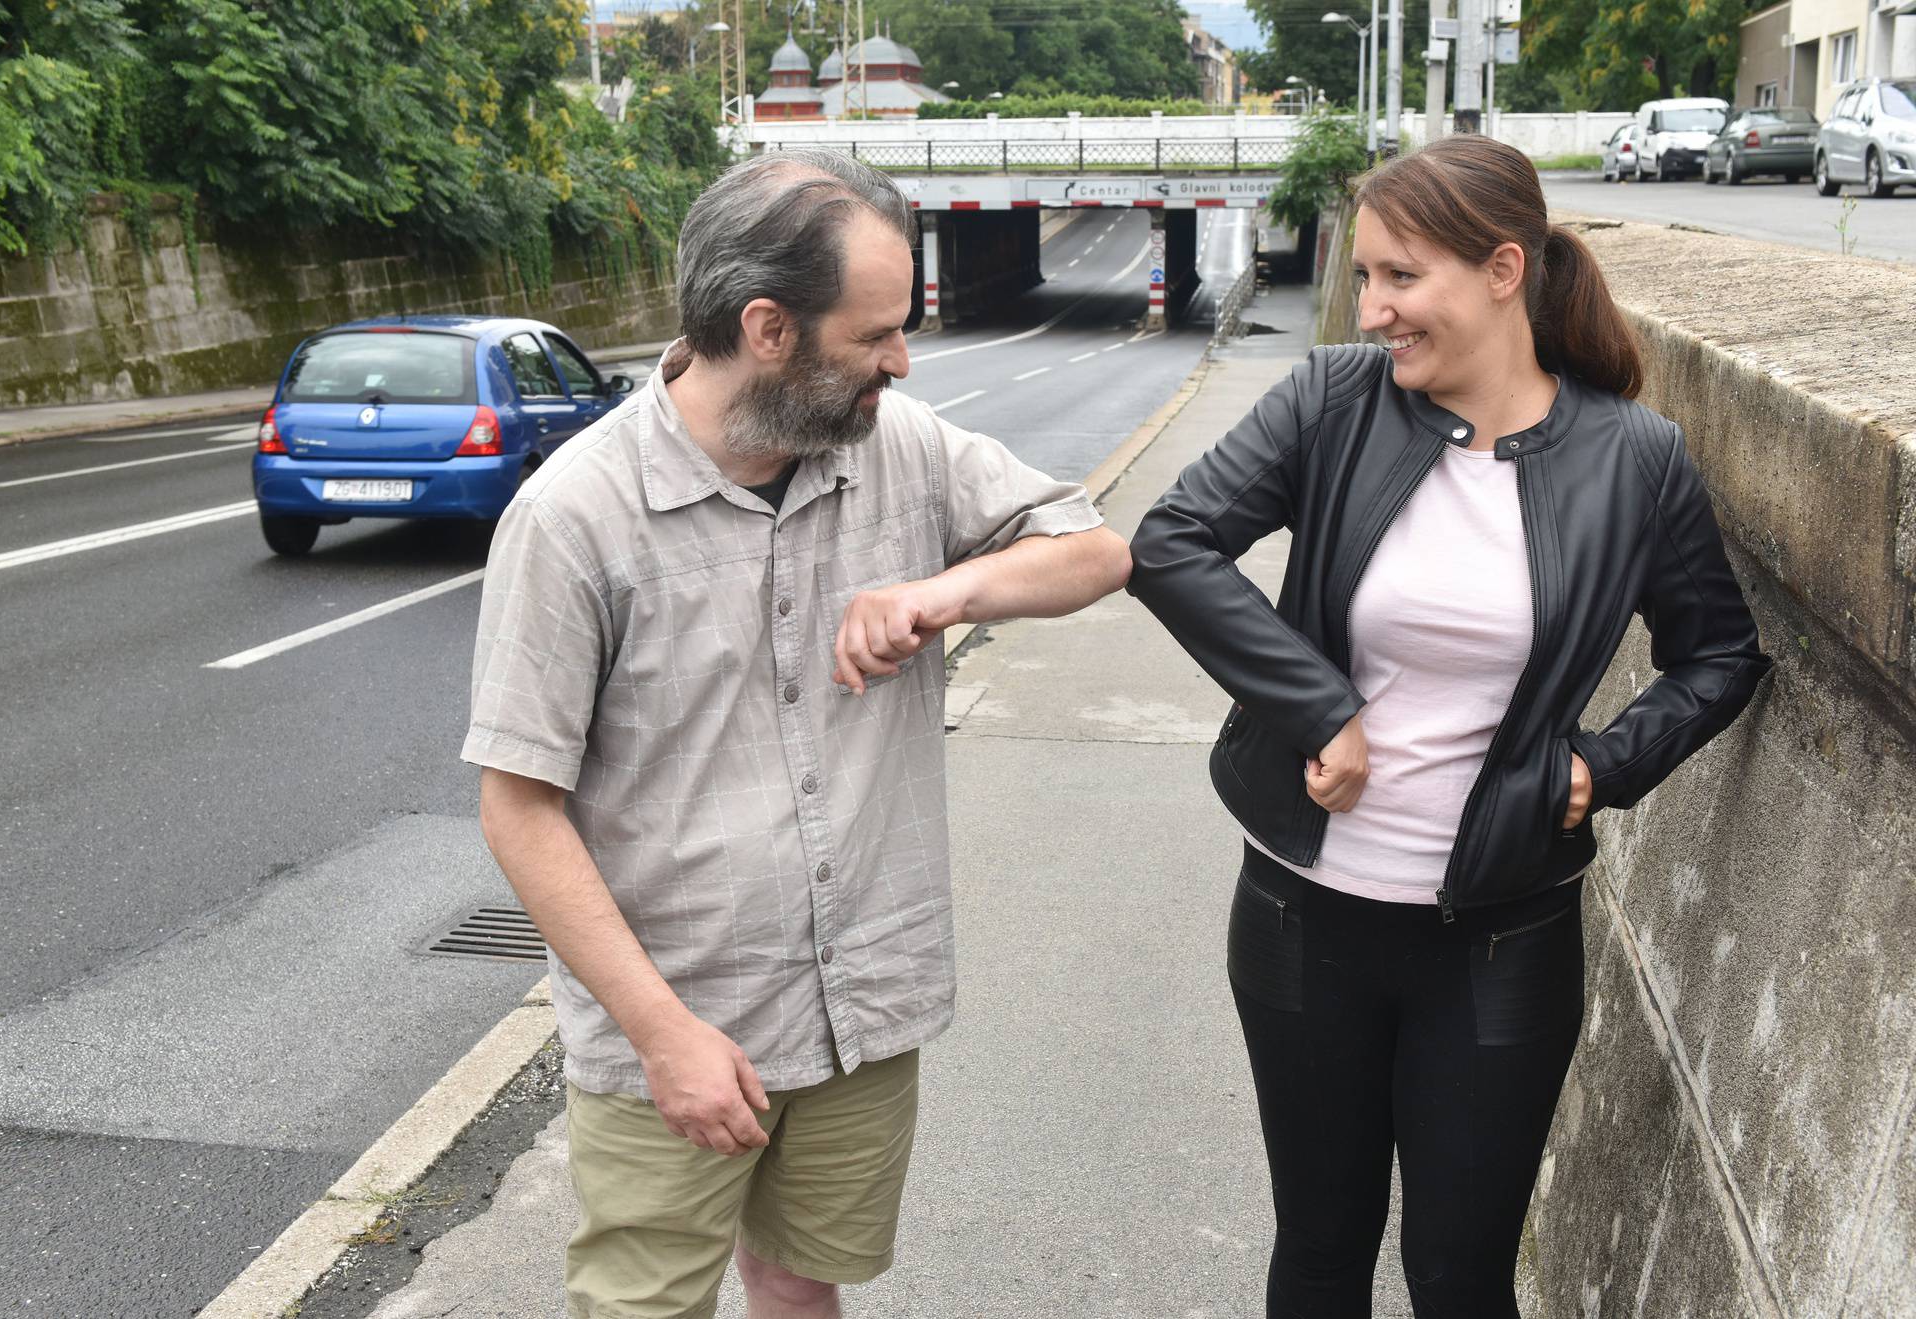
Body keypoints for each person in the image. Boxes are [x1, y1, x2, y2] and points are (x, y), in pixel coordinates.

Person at [464, 149, 1131, 1319]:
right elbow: (518, 807)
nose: (901, 360)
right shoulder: (574, 518)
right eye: (874, 333)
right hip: (677, 1017)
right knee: (641, 1305)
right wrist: (663, 1032)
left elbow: (1097, 551)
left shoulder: (904, 445)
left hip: (863, 1001)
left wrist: (942, 594)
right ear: (767, 326)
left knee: (798, 1279)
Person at [1126, 135, 1771, 1317]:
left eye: (1400, 277)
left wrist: (1602, 765)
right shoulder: (1330, 402)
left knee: (1460, 1275)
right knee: (1320, 1253)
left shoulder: (1636, 460)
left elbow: (1720, 654)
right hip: (1300, 914)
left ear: (1503, 269)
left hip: (1503, 937)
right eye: (1363, 277)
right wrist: (1320, 705)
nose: (1371, 308)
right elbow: (1171, 541)